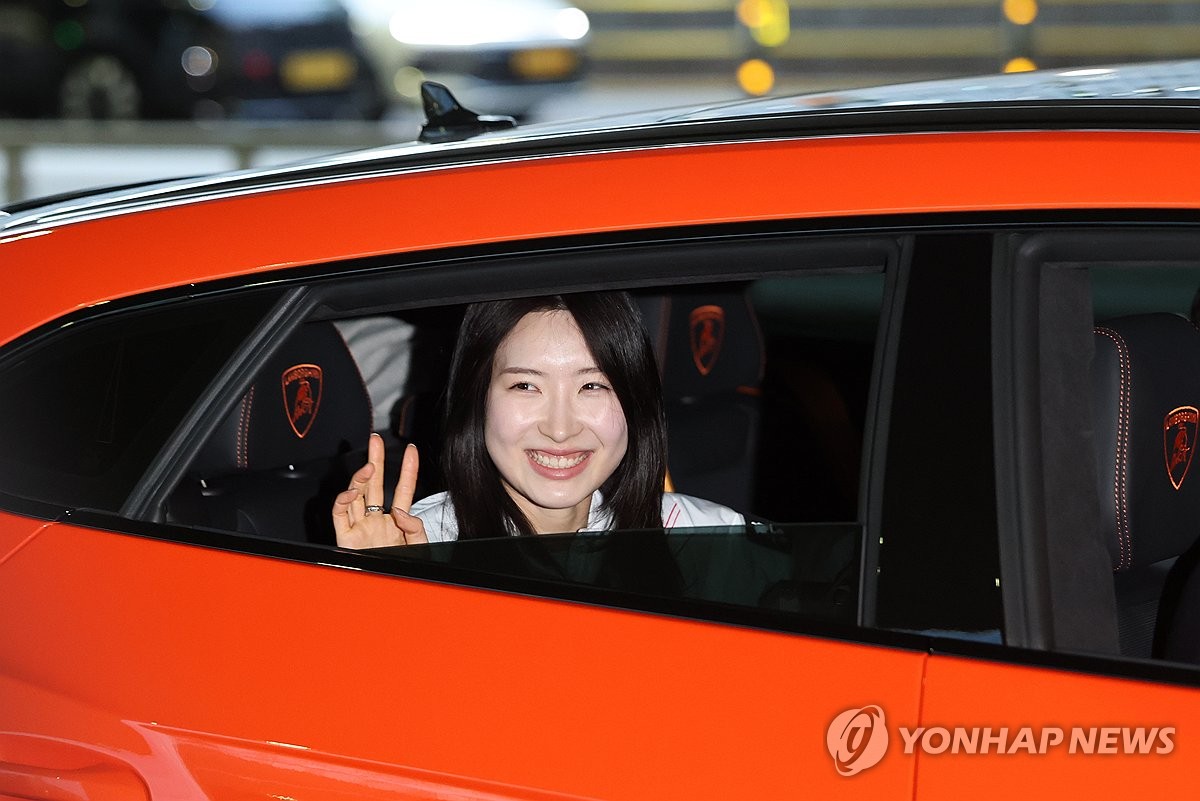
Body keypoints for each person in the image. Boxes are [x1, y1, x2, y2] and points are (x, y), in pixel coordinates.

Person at [333, 292, 744, 547]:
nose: (560, 429)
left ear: (636, 402)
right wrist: (389, 596)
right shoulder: (419, 544)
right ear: (477, 400)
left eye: (592, 386)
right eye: (526, 386)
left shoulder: (706, 539)